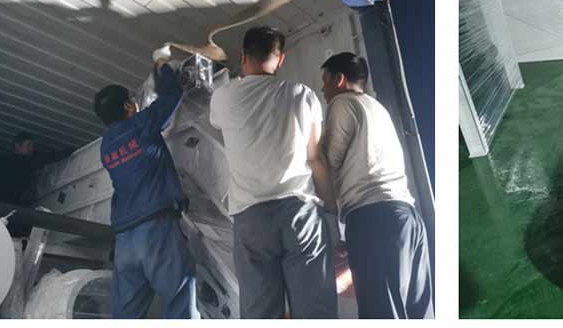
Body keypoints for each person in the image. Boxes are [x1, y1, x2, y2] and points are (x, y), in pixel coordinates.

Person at [209, 26, 338, 318]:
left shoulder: (223, 98)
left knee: (260, 312)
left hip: (251, 219)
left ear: (244, 56)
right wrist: (331, 211)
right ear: (281, 59)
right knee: (316, 311)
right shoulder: (302, 95)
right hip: (300, 215)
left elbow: (217, 122)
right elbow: (316, 159)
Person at [319, 52, 433, 319]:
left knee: (382, 314)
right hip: (406, 217)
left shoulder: (342, 103)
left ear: (339, 79)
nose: (323, 91)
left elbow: (328, 161)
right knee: (417, 313)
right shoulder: (376, 107)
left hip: (374, 219)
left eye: (325, 83)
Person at [93, 56, 199, 319]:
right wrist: (162, 66)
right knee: (179, 302)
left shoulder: (106, 146)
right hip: (156, 231)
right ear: (129, 106)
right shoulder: (140, 125)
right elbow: (172, 95)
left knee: (126, 315)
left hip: (125, 240)